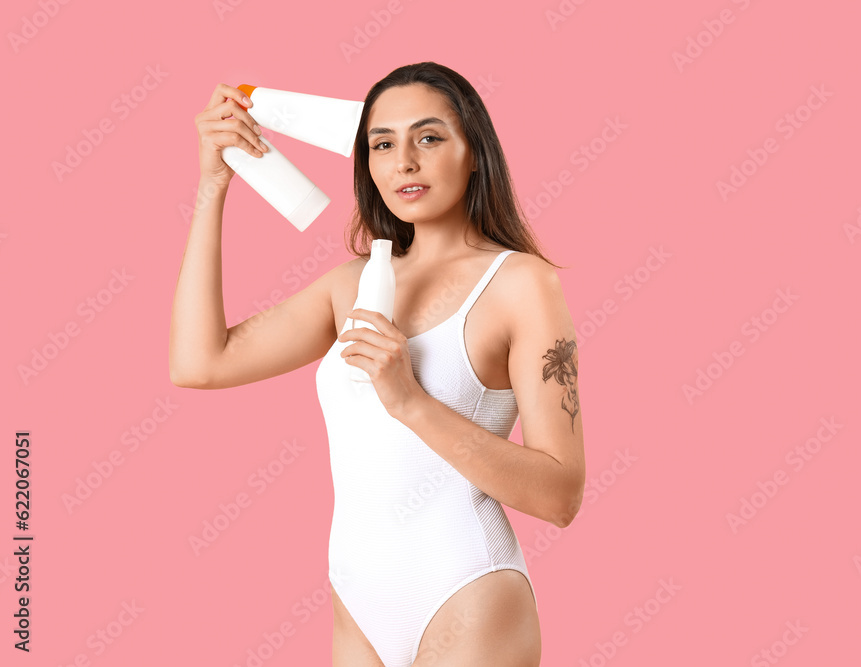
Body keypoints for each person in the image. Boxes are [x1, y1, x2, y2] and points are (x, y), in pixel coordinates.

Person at [171, 61, 586, 666]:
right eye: (382, 144)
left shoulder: (522, 284)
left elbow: (560, 495)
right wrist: (214, 185)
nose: (404, 162)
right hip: (358, 600)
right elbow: (200, 362)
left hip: (464, 590)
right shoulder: (353, 285)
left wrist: (409, 401)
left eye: (429, 137)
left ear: (475, 152)